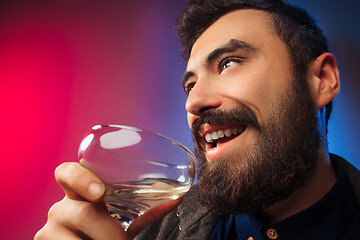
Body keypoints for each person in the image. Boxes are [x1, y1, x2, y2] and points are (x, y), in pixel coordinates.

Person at [35, 0, 360, 239]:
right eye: (190, 85)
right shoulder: (148, 233)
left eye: (229, 63)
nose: (195, 101)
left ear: (323, 79)